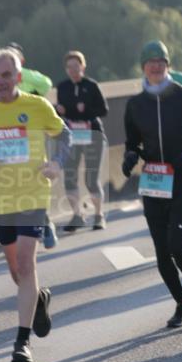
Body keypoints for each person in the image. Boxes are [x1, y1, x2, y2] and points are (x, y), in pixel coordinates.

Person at [0, 48, 70, 362]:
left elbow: (65, 136)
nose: (1, 82)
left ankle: (21, 342)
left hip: (33, 195)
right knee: (16, 272)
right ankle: (38, 298)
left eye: (6, 75)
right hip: (0, 199)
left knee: (25, 263)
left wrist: (57, 163)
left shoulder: (37, 106)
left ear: (18, 76)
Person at [122, 41, 182, 327]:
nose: (156, 66)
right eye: (150, 62)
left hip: (181, 179)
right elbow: (132, 141)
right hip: (153, 182)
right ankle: (181, 304)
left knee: (176, 243)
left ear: (168, 65)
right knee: (162, 252)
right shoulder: (135, 105)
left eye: (161, 61)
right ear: (143, 68)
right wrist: (130, 156)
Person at [56, 50, 109, 231]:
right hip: (72, 136)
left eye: (76, 66)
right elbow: (63, 112)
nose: (73, 70)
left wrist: (86, 109)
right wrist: (59, 110)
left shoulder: (91, 86)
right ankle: (77, 216)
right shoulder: (62, 87)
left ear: (83, 67)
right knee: (70, 176)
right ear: (66, 69)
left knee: (91, 178)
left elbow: (104, 110)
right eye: (69, 67)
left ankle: (99, 215)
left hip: (92, 134)